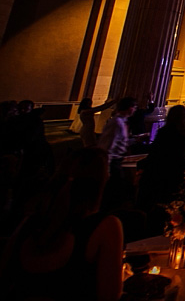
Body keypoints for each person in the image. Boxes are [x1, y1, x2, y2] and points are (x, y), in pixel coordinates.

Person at [0, 147, 124, 301]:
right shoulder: (106, 226)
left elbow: (4, 274)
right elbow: (110, 295)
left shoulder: (28, 223)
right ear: (102, 182)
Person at [97, 97, 138, 175]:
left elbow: (121, 141)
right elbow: (108, 146)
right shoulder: (116, 123)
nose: (135, 110)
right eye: (135, 107)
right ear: (130, 108)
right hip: (112, 161)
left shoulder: (123, 122)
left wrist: (135, 140)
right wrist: (106, 169)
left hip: (118, 160)